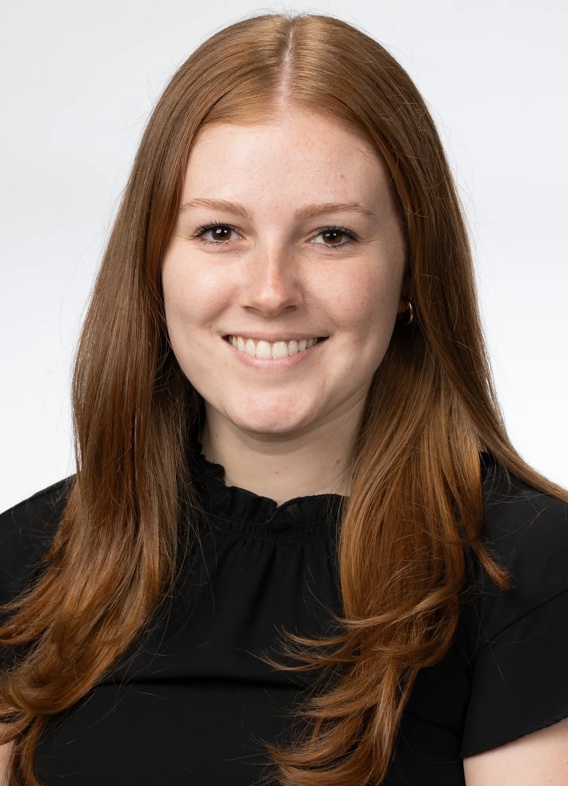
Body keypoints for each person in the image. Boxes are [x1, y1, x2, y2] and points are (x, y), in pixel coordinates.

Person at [1, 12, 567, 786]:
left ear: (411, 273)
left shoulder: (529, 574)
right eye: (219, 232)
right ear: (153, 265)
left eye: (330, 235)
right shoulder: (25, 567)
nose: (270, 293)